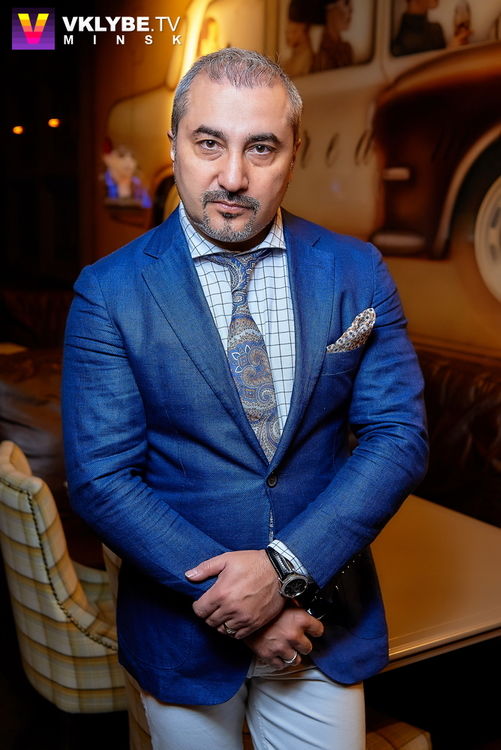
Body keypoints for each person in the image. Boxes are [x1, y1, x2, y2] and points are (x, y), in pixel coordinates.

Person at [62, 48, 428, 750]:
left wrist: (287, 572)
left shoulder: (356, 270)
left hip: (321, 621)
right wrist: (243, 607)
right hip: (184, 629)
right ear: (173, 144)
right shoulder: (107, 292)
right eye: (209, 143)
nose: (233, 177)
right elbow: (102, 479)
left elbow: (398, 437)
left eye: (261, 147)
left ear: (294, 153)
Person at [313, 0, 354, 72]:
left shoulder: (346, 49)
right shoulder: (323, 56)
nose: (351, 10)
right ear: (329, 10)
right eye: (346, 3)